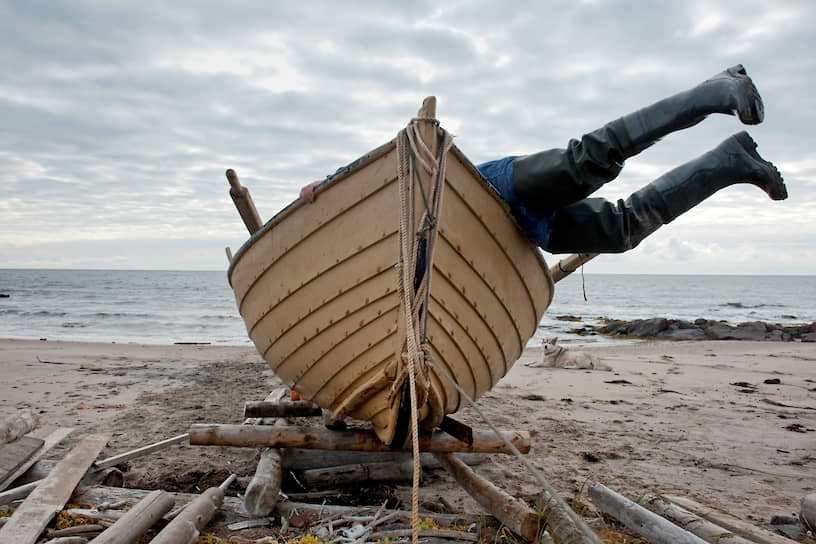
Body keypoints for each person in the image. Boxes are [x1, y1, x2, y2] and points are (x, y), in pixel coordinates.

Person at [476, 64, 787, 254]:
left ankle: (717, 88)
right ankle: (729, 162)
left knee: (585, 163)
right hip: (529, 229)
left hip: (489, 190)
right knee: (623, 230)